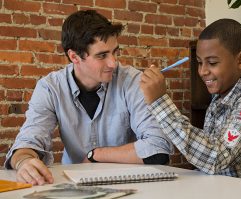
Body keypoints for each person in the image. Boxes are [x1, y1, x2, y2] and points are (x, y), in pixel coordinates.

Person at [5, 10, 173, 185]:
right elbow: (28, 141)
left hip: (129, 182)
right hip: (73, 186)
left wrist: (96, 155)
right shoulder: (50, 88)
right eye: (102, 55)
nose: (113, 63)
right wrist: (24, 162)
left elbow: (159, 147)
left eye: (115, 52)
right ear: (74, 57)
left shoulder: (132, 81)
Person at [140, 18, 241, 186]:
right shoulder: (218, 99)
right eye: (199, 62)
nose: (203, 71)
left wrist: (160, 103)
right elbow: (210, 166)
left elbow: (216, 158)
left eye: (212, 62)